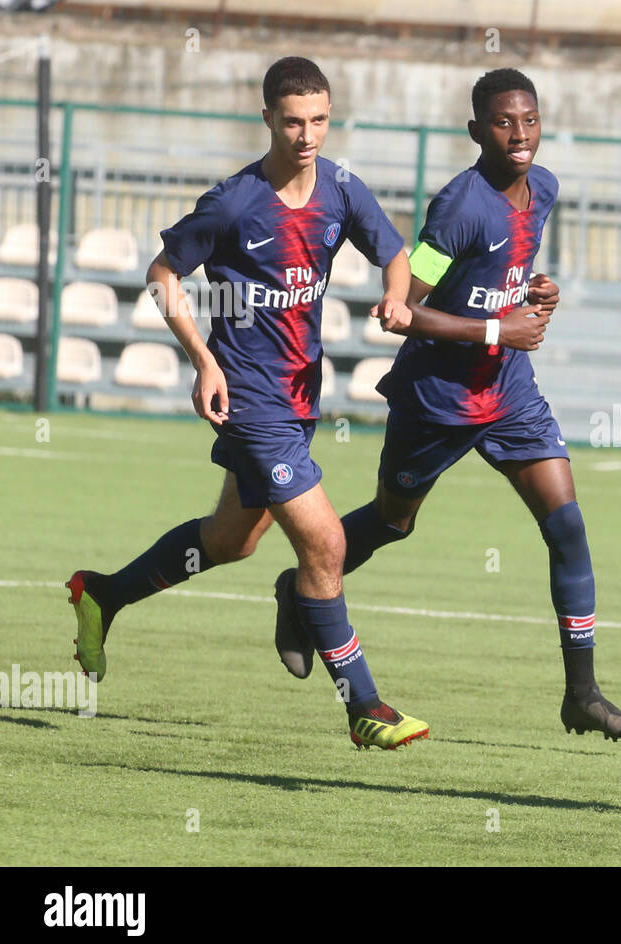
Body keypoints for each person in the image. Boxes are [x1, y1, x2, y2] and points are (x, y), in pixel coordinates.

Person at [271, 68, 621, 742]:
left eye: (529, 120)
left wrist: (534, 295)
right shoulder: (459, 207)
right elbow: (401, 309)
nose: (520, 134)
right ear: (477, 131)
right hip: (437, 399)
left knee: (566, 527)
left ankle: (582, 694)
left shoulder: (546, 190)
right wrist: (501, 327)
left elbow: (504, 275)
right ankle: (298, 589)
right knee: (393, 522)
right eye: (504, 123)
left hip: (509, 393)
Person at [66, 56, 431, 751]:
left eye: (319, 120)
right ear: (267, 118)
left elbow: (396, 252)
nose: (307, 135)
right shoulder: (235, 201)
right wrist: (203, 360)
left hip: (298, 398)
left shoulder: (342, 190)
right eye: (293, 121)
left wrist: (393, 291)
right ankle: (364, 705)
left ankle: (103, 595)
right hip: (250, 400)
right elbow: (163, 274)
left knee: (232, 541)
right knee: (323, 544)